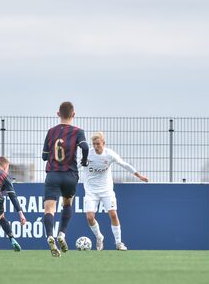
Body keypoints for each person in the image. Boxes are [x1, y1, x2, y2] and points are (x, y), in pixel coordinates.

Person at [83, 132, 149, 251]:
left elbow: (124, 164)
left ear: (104, 143)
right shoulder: (87, 154)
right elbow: (74, 166)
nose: (96, 146)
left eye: (98, 144)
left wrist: (139, 176)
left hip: (107, 190)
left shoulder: (109, 154)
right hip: (91, 191)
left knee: (113, 214)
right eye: (94, 144)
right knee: (89, 217)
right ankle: (99, 237)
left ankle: (118, 243)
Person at [42, 101, 89, 257]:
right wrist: (83, 160)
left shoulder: (51, 132)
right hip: (70, 175)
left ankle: (50, 236)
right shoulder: (78, 131)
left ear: (58, 114)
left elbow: (44, 156)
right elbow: (85, 147)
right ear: (73, 114)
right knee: (67, 203)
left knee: (49, 209)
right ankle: (62, 234)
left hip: (53, 174)